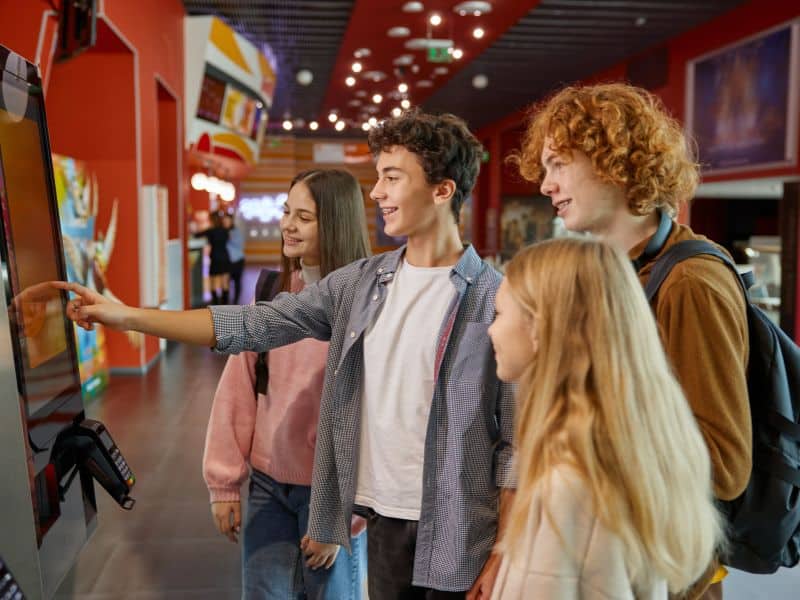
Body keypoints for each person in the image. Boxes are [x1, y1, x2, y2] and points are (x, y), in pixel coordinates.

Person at [55, 109, 515, 600]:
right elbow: (254, 324)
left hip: (459, 530)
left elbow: (516, 443)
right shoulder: (362, 284)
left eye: (391, 178)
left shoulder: (497, 300)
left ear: (442, 190)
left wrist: (505, 549)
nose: (377, 192)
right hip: (379, 521)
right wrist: (128, 316)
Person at [510, 82, 750, 599]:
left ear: (612, 160)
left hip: (670, 574)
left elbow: (726, 465)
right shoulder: (622, 270)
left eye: (559, 164)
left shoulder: (690, 280)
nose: (546, 185)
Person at [486, 237, 725, 599]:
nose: (491, 329)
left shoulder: (569, 484)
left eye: (500, 313)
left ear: (540, 327)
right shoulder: (620, 455)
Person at [204, 169, 371, 599]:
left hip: (332, 492)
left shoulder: (367, 304)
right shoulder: (274, 291)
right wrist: (223, 484)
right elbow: (238, 390)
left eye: (305, 217)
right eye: (286, 212)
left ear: (335, 222)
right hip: (268, 486)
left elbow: (372, 416)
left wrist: (341, 515)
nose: (288, 225)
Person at [195, 211, 231, 304]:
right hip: (225, 256)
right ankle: (225, 305)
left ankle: (215, 305)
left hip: (215, 257)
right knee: (225, 283)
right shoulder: (225, 230)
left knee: (214, 283)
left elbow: (196, 235)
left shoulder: (210, 231)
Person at [223, 212, 246, 304]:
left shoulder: (236, 231)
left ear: (231, 221)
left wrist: (228, 236)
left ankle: (236, 303)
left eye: (227, 220)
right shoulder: (222, 231)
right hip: (226, 262)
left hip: (237, 260)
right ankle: (226, 303)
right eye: (224, 221)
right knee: (225, 283)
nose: (225, 222)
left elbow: (239, 244)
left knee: (237, 282)